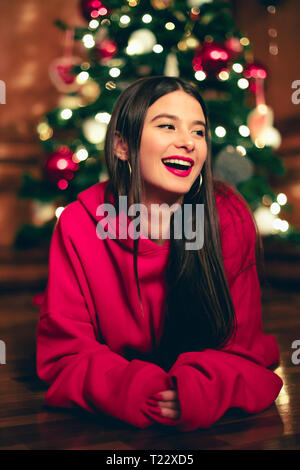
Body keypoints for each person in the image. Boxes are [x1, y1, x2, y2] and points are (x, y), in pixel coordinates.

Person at [36, 75, 283, 432]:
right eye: (168, 126)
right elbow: (65, 354)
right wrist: (139, 390)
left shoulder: (226, 214)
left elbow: (243, 349)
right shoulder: (79, 223)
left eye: (198, 132)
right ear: (123, 146)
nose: (187, 142)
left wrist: (197, 390)